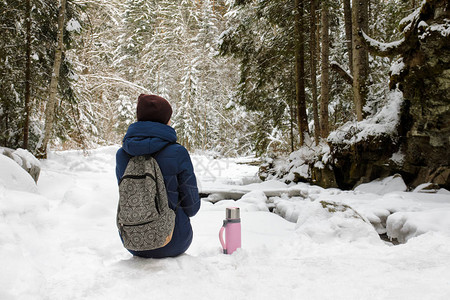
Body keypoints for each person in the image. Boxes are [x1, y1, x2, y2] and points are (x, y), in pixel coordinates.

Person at [115, 94, 200, 258]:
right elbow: (192, 206)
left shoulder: (122, 154)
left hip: (133, 242)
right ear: (165, 120)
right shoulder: (177, 152)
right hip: (174, 241)